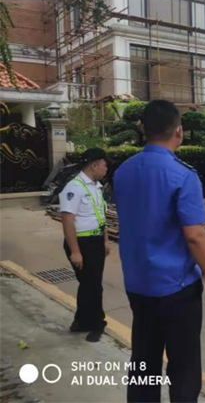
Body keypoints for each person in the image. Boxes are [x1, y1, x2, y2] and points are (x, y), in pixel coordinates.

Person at [113, 99, 205, 403]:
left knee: (144, 359)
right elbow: (195, 235)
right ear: (179, 131)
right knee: (184, 365)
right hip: (177, 287)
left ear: (142, 128)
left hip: (138, 284)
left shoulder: (123, 171)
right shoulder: (183, 175)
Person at [59, 147, 110, 343]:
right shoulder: (75, 187)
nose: (106, 169)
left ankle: (81, 321)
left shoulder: (96, 187)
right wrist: (75, 251)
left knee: (89, 284)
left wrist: (105, 240)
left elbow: (100, 216)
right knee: (93, 286)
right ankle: (97, 324)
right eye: (104, 165)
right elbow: (67, 220)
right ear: (94, 165)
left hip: (96, 242)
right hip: (82, 243)